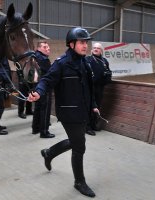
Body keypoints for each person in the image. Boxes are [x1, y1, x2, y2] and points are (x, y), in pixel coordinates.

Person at [28, 27, 99, 198]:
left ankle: (49, 153)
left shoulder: (85, 62)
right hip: (69, 113)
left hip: (83, 112)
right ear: (72, 44)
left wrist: (93, 105)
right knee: (79, 147)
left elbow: (89, 88)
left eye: (86, 43)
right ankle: (79, 182)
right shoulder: (61, 63)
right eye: (82, 42)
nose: (85, 46)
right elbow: (46, 80)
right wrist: (38, 92)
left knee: (76, 142)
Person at [86, 42, 112, 133]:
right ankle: (87, 127)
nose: (96, 49)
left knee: (97, 106)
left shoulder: (104, 61)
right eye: (94, 48)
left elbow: (108, 74)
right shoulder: (87, 59)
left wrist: (107, 77)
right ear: (92, 49)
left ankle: (94, 124)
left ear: (101, 50)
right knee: (89, 107)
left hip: (100, 87)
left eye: (98, 48)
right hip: (89, 87)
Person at [32, 40, 55, 138]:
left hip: (36, 86)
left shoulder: (34, 57)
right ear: (38, 48)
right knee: (45, 109)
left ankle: (35, 128)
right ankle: (44, 131)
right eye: (44, 47)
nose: (47, 48)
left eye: (48, 47)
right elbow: (50, 73)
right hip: (44, 87)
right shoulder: (43, 59)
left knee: (38, 107)